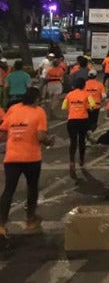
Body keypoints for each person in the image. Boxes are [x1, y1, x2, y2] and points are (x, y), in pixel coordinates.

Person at [0, 88, 53, 238]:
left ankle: (1, 224)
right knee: (32, 188)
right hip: (31, 158)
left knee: (9, 190)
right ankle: (30, 219)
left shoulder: (13, 109)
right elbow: (41, 136)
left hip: (12, 157)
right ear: (36, 99)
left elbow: (3, 132)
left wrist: (15, 136)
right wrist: (50, 141)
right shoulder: (39, 112)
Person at [62, 78, 95, 179]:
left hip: (72, 120)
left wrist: (73, 108)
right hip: (83, 120)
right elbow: (92, 105)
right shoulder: (87, 94)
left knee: (73, 141)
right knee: (82, 141)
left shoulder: (69, 95)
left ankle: (72, 161)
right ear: (84, 85)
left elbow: (63, 107)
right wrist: (86, 107)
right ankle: (81, 160)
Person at [84, 69, 106, 135]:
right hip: (96, 106)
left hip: (86, 106)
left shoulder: (84, 84)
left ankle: (86, 135)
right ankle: (91, 134)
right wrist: (101, 100)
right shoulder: (100, 84)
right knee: (94, 122)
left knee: (86, 121)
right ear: (96, 76)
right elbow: (104, 96)